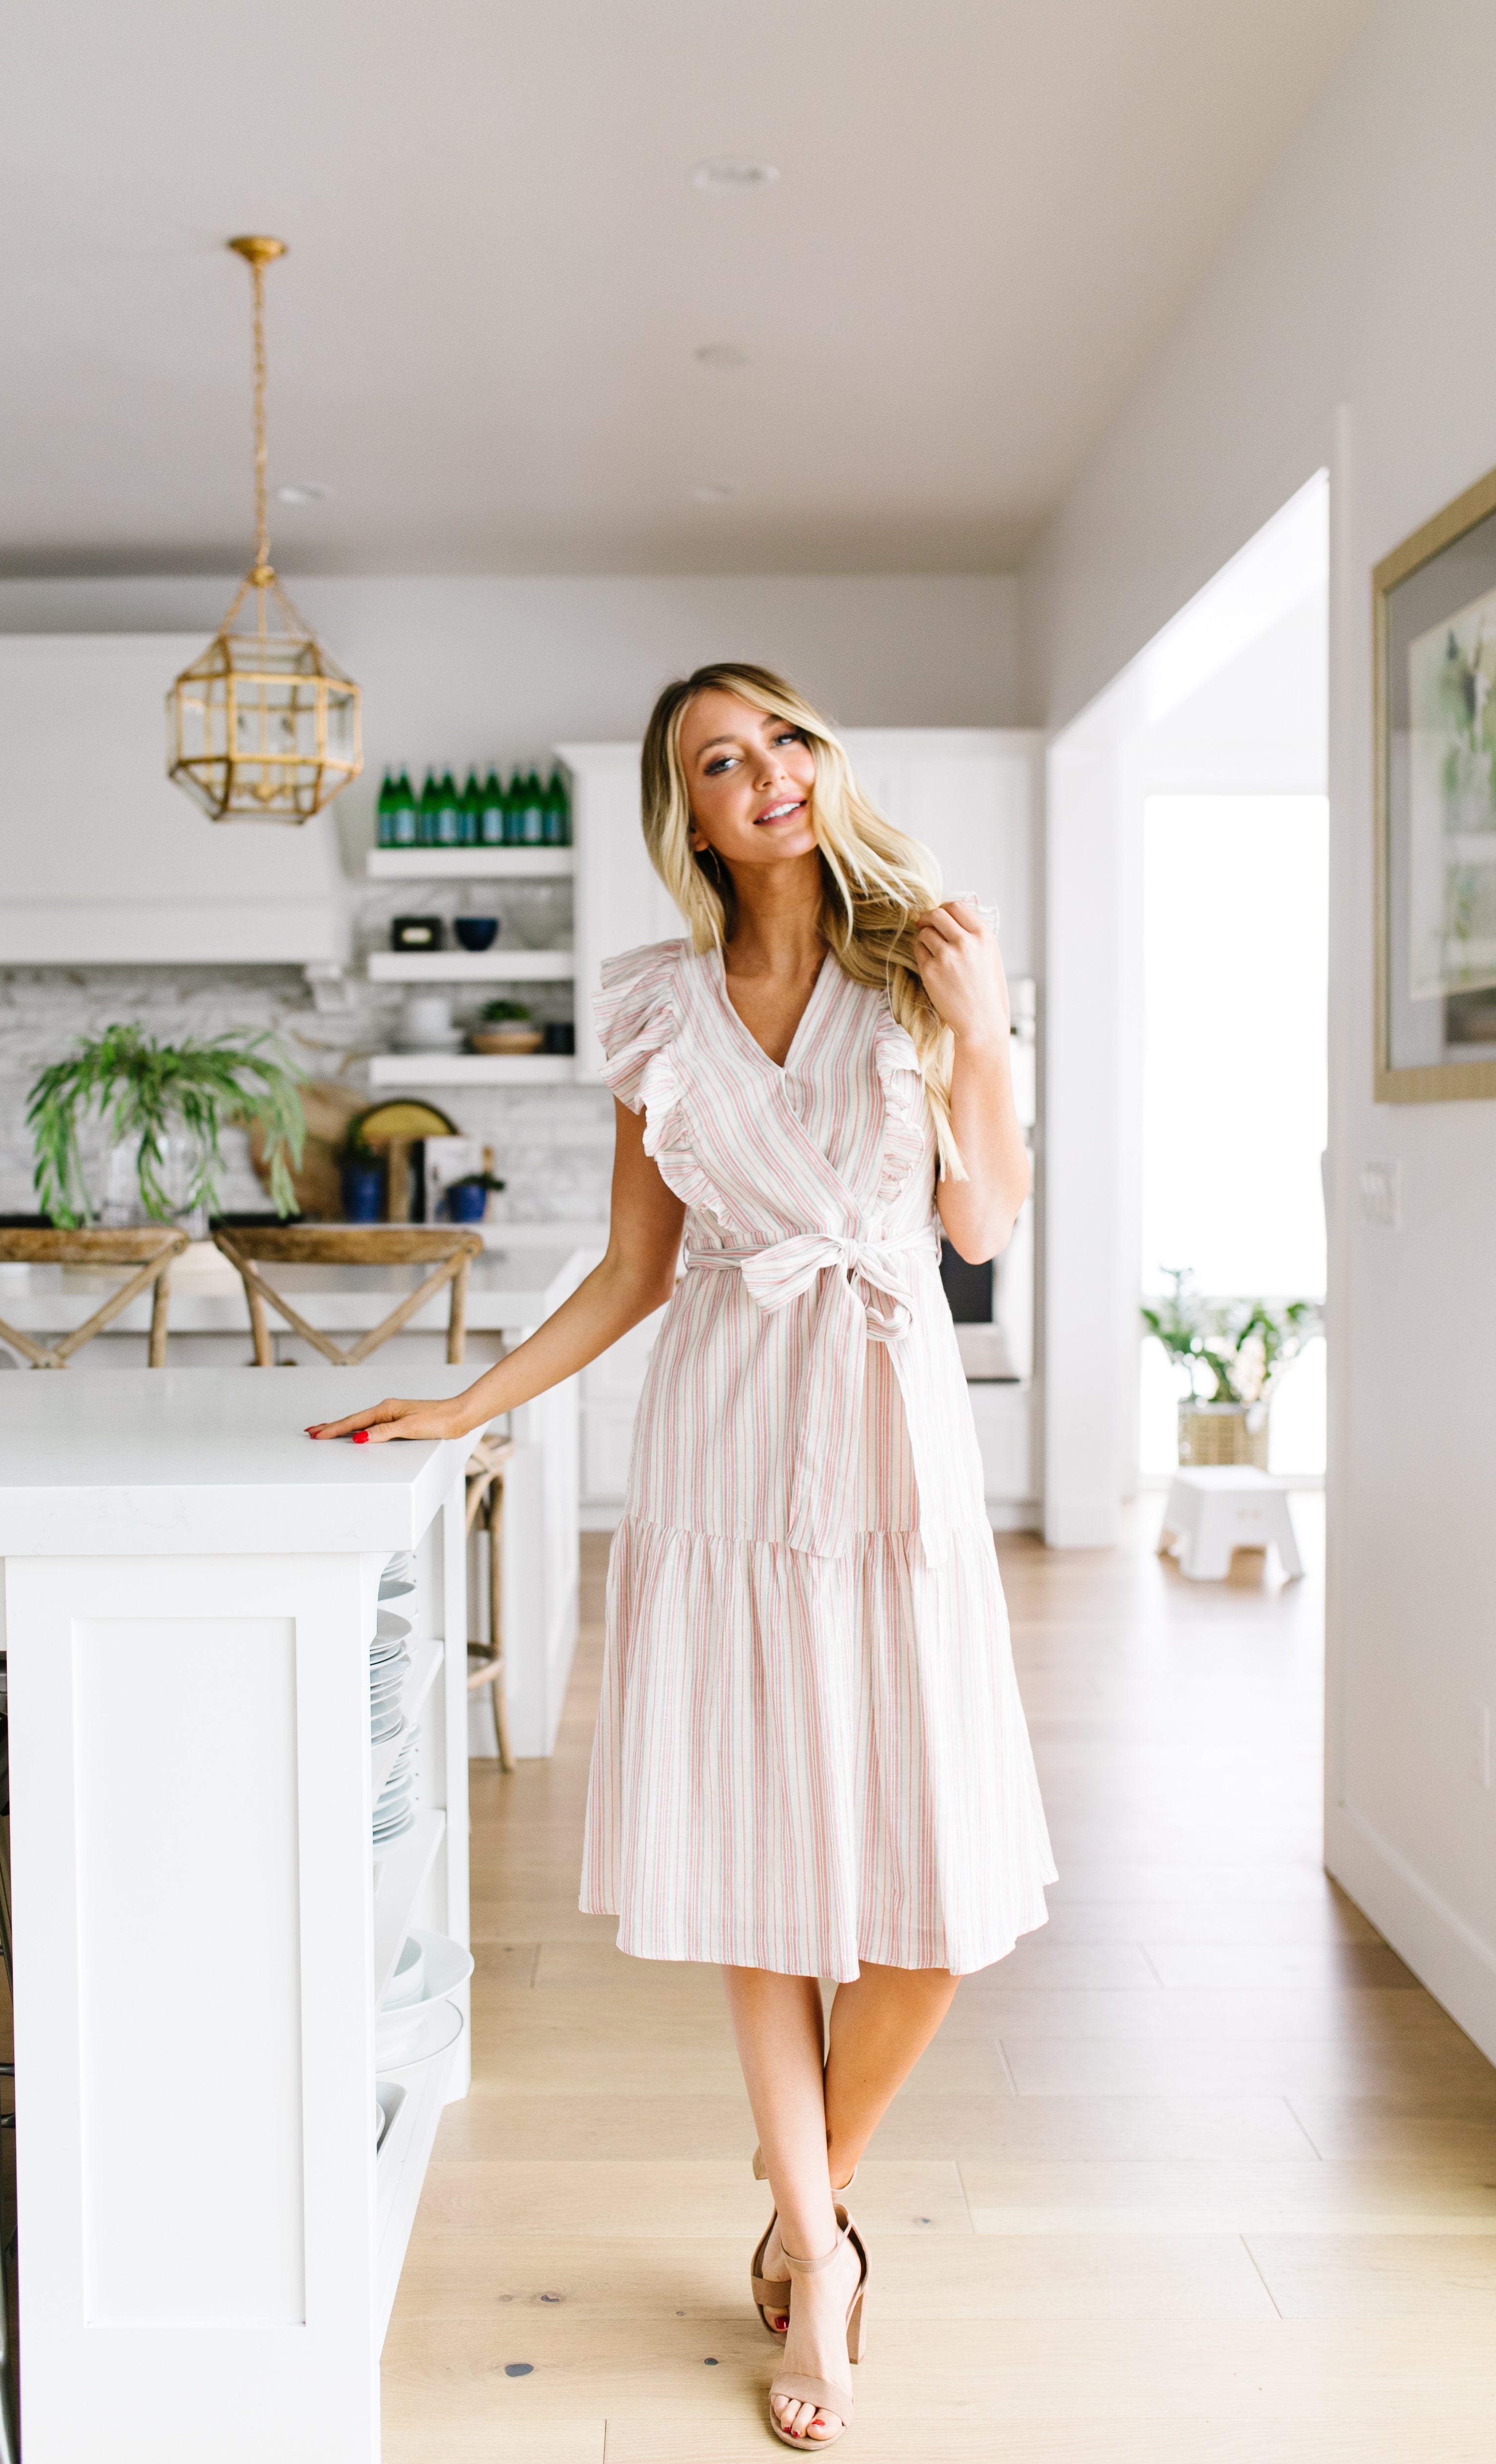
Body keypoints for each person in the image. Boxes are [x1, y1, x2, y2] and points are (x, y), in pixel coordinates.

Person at [309, 662, 1054, 2448]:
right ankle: (820, 2255)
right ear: (690, 817)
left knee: (933, 1913)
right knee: (764, 1876)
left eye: (786, 738)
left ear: (823, 763)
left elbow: (980, 1221)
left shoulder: (923, 956)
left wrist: (989, 1030)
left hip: (888, 1419)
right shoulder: (655, 1003)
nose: (770, 774)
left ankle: (806, 2172)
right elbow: (637, 1273)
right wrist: (468, 1404)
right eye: (724, 760)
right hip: (724, 1440)